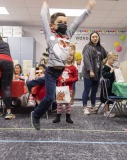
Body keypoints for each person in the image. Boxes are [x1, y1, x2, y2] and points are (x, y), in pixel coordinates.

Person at [29, 0, 96, 130]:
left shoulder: (67, 35)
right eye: (60, 22)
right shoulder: (50, 36)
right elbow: (43, 18)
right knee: (50, 98)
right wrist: (45, 7)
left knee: (48, 81)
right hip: (51, 70)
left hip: (59, 72)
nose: (63, 25)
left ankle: (32, 83)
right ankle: (36, 115)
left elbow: (77, 22)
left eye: (65, 22)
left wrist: (88, 9)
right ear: (52, 25)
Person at [0, 32, 15, 119]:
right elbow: (8, 55)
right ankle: (8, 112)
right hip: (8, 62)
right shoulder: (6, 44)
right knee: (6, 88)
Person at [82, 31, 108, 115]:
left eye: (96, 36)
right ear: (90, 38)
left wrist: (104, 63)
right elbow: (86, 59)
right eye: (93, 37)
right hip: (88, 73)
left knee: (94, 91)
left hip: (97, 73)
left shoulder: (101, 48)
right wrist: (90, 70)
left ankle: (93, 106)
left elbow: (106, 56)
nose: (95, 38)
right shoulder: (87, 47)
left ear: (98, 38)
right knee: (87, 90)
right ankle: (85, 107)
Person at [53, 51, 78, 123]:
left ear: (73, 57)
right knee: (59, 102)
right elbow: (57, 75)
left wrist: (67, 80)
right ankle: (58, 117)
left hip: (69, 88)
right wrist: (61, 79)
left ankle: (68, 117)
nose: (69, 56)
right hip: (60, 87)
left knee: (68, 103)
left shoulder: (73, 68)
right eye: (68, 55)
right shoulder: (60, 66)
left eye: (71, 55)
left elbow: (76, 78)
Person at [100, 52, 118, 118]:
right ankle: (106, 111)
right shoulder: (105, 67)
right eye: (113, 60)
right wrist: (110, 71)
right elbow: (104, 75)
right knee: (106, 99)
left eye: (115, 60)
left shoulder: (111, 66)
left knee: (109, 99)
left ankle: (108, 111)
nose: (114, 62)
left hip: (110, 86)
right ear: (109, 58)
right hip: (106, 87)